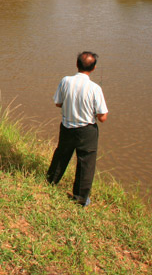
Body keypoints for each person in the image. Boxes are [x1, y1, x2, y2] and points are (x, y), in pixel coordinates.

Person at [46, 51, 108, 207]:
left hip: (67, 127)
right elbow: (102, 117)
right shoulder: (95, 88)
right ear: (93, 68)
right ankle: (80, 198)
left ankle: (50, 182)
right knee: (86, 163)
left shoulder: (65, 81)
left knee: (61, 154)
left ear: (77, 65)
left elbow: (58, 103)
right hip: (86, 130)